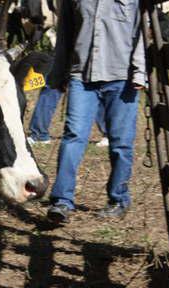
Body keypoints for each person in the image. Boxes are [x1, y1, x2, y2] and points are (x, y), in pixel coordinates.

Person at [45, 0, 145, 223]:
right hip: (82, 75)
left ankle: (118, 199)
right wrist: (59, 73)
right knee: (73, 136)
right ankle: (61, 201)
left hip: (122, 77)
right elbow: (65, 35)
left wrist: (140, 71)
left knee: (121, 143)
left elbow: (142, 31)